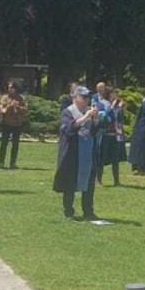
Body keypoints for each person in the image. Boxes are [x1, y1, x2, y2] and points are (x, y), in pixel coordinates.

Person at [54, 86, 101, 220]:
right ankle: (69, 211)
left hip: (87, 152)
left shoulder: (89, 111)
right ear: (75, 98)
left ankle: (88, 211)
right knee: (70, 183)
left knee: (89, 183)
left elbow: (94, 131)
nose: (86, 100)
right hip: (72, 153)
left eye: (88, 97)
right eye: (83, 97)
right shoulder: (68, 112)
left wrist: (96, 119)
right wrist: (86, 117)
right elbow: (69, 129)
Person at [94, 83, 126, 186]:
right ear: (108, 94)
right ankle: (98, 179)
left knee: (115, 158)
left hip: (115, 135)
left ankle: (116, 181)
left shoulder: (117, 105)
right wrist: (111, 107)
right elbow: (103, 118)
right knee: (101, 157)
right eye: (113, 94)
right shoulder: (101, 104)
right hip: (104, 134)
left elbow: (119, 120)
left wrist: (120, 109)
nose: (115, 96)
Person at [0, 82, 26, 170]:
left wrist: (18, 107)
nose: (9, 89)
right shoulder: (5, 98)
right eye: (9, 87)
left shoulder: (21, 98)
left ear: (15, 88)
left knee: (15, 145)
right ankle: (1, 162)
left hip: (17, 124)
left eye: (11, 88)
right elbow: (2, 109)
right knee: (4, 143)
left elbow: (25, 110)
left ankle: (13, 163)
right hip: (6, 123)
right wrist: (10, 105)